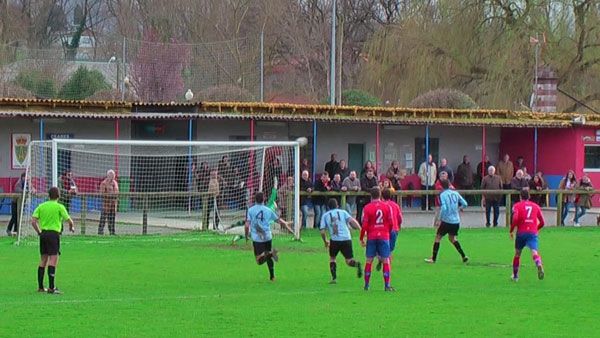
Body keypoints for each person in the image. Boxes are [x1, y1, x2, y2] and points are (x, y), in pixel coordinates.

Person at [31, 187, 75, 294]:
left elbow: (33, 221)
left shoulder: (42, 206)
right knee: (53, 259)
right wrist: (71, 227)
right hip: (53, 235)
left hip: (44, 234)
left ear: (48, 195)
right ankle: (51, 288)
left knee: (43, 260)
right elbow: (69, 220)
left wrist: (39, 232)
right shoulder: (59, 207)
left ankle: (41, 287)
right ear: (58, 196)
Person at [245, 192, 293, 282]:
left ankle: (271, 253)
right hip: (267, 236)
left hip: (257, 238)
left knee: (259, 260)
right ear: (264, 200)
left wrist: (246, 235)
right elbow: (278, 220)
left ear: (255, 199)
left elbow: (247, 225)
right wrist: (286, 224)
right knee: (268, 256)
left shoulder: (251, 210)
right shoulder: (268, 210)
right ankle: (272, 276)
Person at [425, 179, 469, 264]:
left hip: (447, 221)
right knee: (452, 239)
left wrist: (440, 219)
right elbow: (465, 204)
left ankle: (433, 259)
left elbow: (444, 208)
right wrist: (459, 209)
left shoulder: (443, 195)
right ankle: (463, 256)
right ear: (449, 185)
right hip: (456, 221)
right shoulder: (455, 193)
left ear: (441, 186)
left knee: (438, 238)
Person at [319, 198, 362, 284]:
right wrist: (361, 229)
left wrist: (325, 241)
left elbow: (322, 231)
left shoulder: (325, 215)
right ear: (337, 205)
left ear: (328, 207)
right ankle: (357, 264)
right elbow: (352, 221)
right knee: (349, 261)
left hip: (335, 240)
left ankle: (334, 278)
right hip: (347, 238)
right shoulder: (343, 212)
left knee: (332, 258)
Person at [360, 187, 394, 291]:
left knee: (369, 260)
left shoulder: (367, 208)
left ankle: (366, 285)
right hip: (384, 236)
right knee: (385, 260)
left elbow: (364, 225)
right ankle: (387, 285)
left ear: (371, 195)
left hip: (372, 236)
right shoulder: (387, 207)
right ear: (380, 195)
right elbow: (391, 223)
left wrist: (362, 237)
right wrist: (387, 232)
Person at [510, 189, 546, 281]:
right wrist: (535, 230)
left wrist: (511, 230)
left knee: (517, 254)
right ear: (529, 197)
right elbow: (542, 222)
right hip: (532, 233)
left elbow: (515, 219)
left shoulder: (517, 206)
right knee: (534, 252)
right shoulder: (536, 206)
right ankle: (538, 264)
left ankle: (515, 276)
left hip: (521, 233)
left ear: (520, 197)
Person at [378, 188, 402, 272]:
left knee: (380, 247)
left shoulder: (380, 205)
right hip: (394, 229)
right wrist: (399, 225)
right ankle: (388, 268)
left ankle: (380, 258)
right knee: (390, 251)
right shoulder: (395, 205)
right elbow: (399, 218)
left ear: (381, 196)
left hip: (383, 229)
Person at [98, 170, 119, 235]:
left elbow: (117, 192)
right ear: (108, 175)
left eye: (113, 176)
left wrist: (115, 195)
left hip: (113, 205)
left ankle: (112, 232)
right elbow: (102, 193)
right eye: (111, 176)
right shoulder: (104, 183)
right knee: (103, 219)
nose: (113, 177)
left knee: (112, 219)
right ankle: (100, 232)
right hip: (106, 205)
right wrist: (110, 195)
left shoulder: (115, 183)